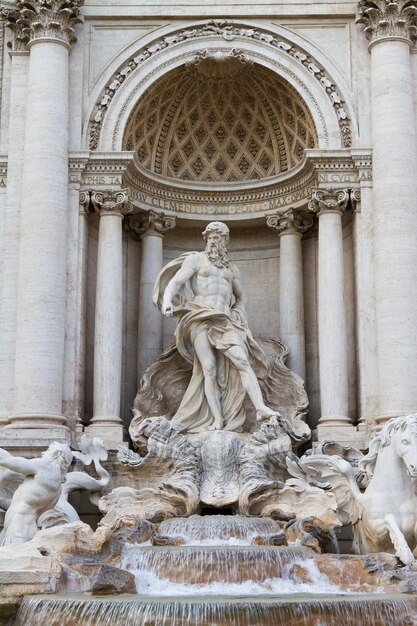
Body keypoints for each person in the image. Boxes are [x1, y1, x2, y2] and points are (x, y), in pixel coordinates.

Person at [153, 221, 278, 433]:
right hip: (200, 317)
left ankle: (261, 408)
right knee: (208, 369)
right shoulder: (195, 260)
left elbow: (241, 296)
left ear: (225, 241)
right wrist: (167, 302)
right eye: (210, 237)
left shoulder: (231, 269)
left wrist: (239, 312)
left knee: (242, 360)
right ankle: (217, 420)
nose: (213, 241)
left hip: (225, 320)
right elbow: (176, 282)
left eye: (218, 237)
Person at [0, 442, 73, 546]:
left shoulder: (47, 467)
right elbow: (22, 504)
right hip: (24, 530)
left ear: (56, 454)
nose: (43, 454)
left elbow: (7, 460)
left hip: (17, 531)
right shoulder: (58, 488)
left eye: (48, 451)